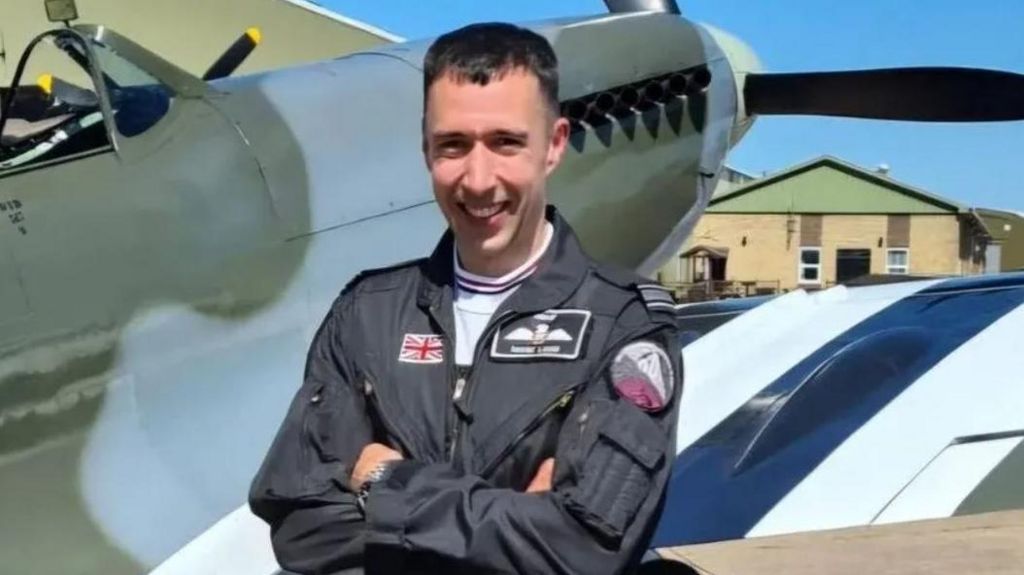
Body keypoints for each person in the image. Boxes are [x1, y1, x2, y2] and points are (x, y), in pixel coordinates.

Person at [249, 22, 682, 575]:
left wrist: (388, 482)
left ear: (553, 145)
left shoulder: (625, 324)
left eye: (506, 142)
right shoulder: (366, 313)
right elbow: (301, 533)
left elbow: (583, 549)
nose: (478, 180)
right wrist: (519, 520)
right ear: (426, 149)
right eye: (453, 145)